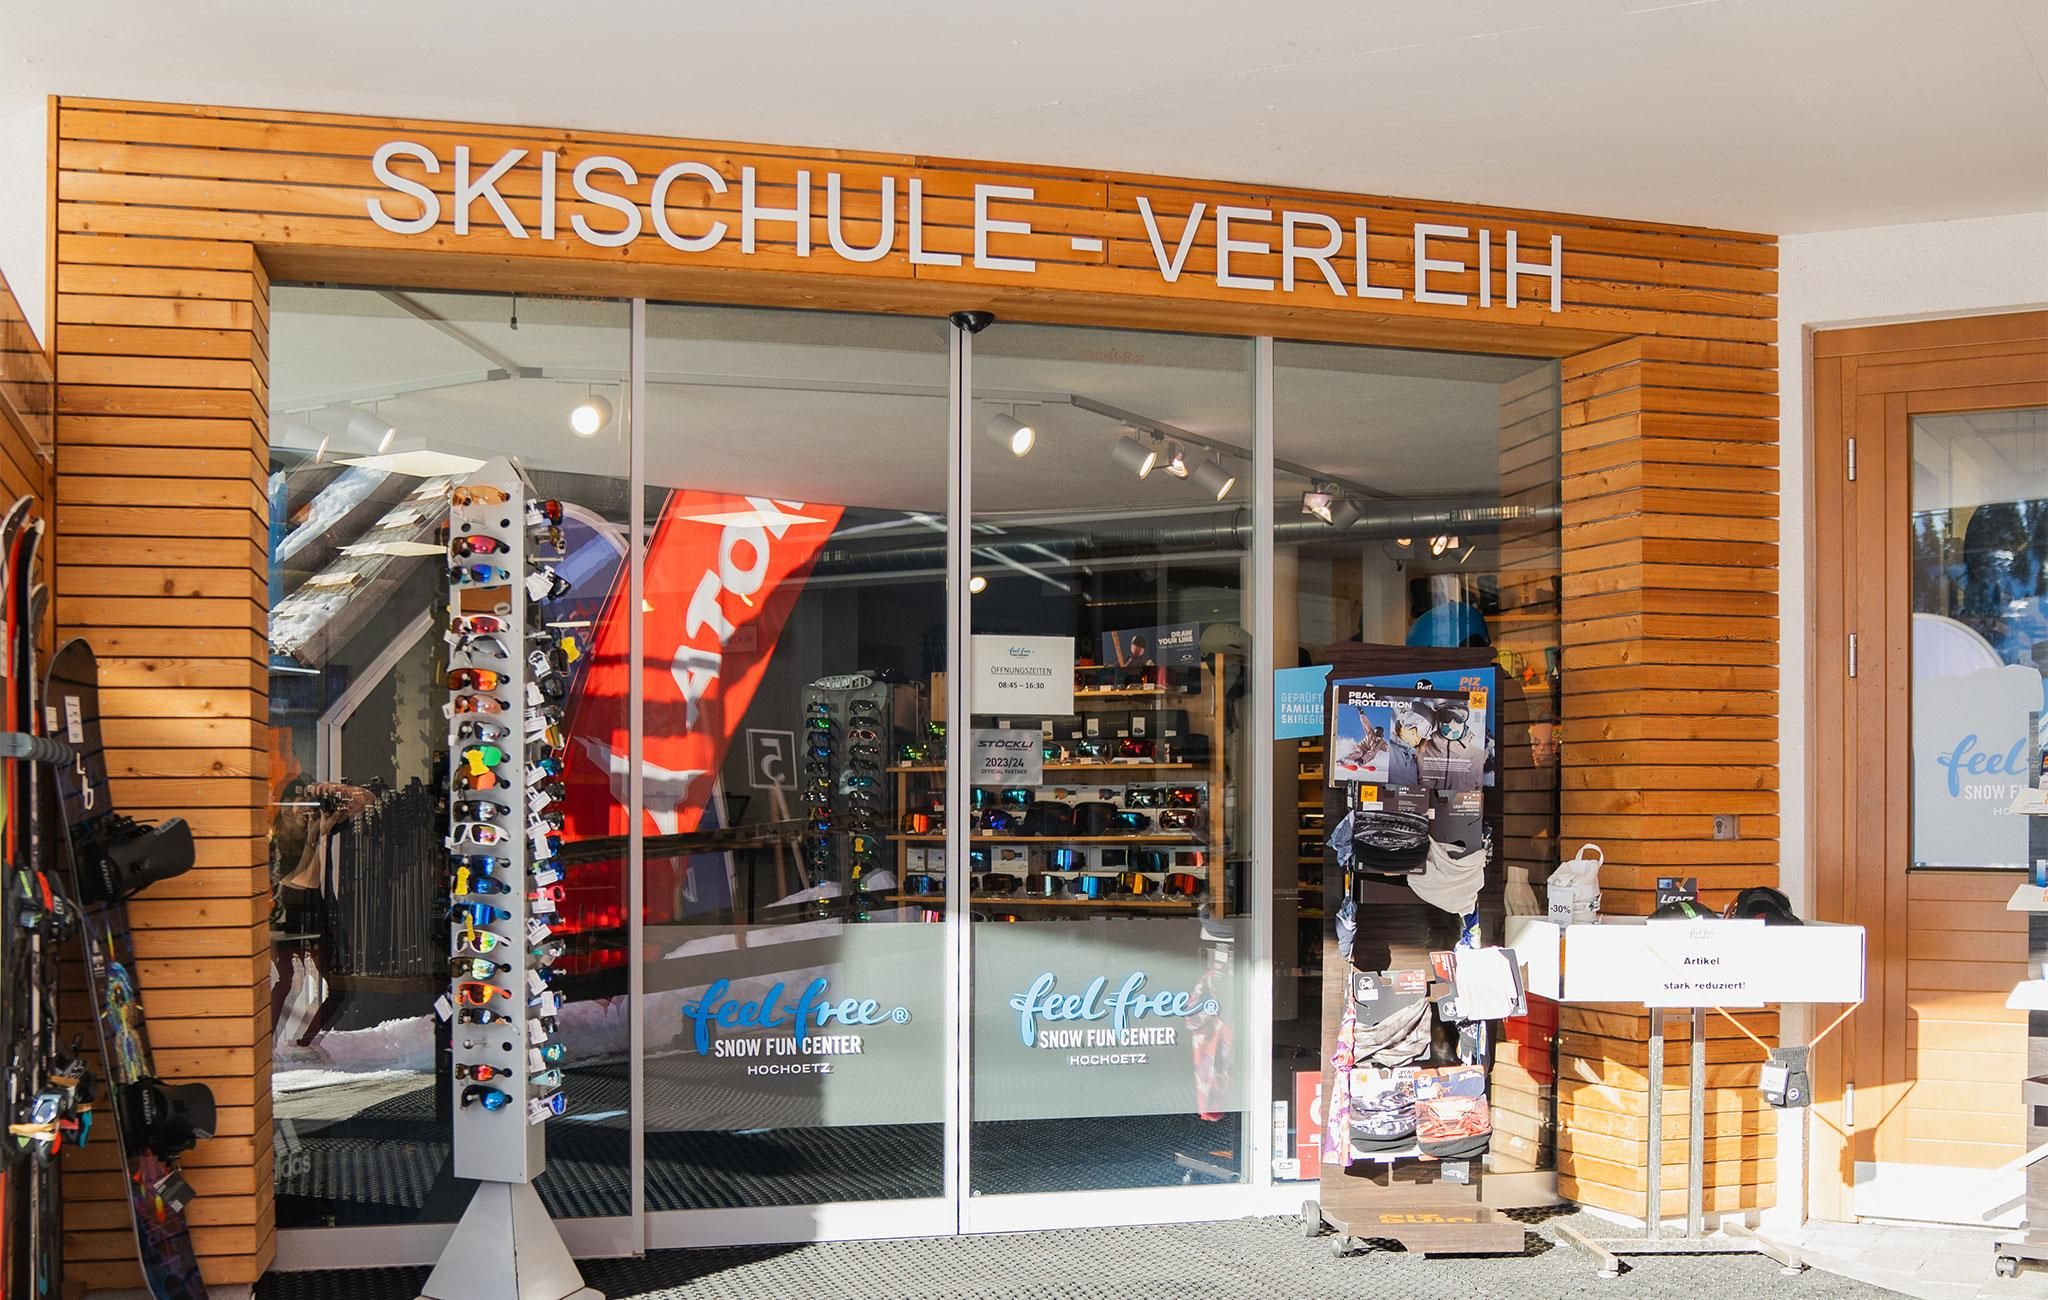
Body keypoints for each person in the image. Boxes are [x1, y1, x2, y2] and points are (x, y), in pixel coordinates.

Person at [270, 776, 373, 1051]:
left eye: (308, 801)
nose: (305, 809)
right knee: (285, 981)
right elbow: (293, 876)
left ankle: (304, 1044)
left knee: (342, 986)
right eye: (298, 802)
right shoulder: (279, 836)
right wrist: (316, 835)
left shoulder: (318, 822)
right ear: (285, 806)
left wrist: (337, 791)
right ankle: (266, 1045)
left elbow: (367, 801)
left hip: (318, 905)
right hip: (289, 907)